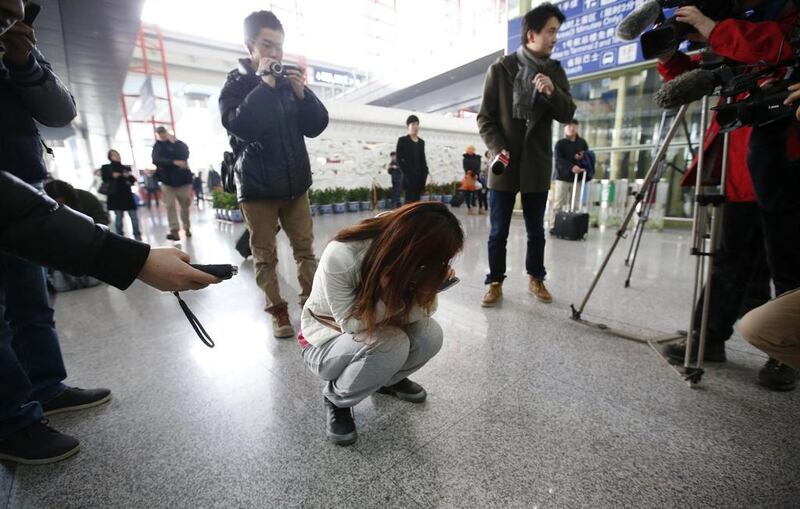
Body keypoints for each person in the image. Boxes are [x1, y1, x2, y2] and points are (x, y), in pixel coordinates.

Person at [0, 169, 221, 464]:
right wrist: (134, 260)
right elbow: (15, 209)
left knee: (33, 308)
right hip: (19, 197)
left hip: (23, 182)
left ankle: (47, 389)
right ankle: (10, 421)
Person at [658, 1, 800, 390]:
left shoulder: (785, 13)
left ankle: (784, 353)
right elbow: (705, 76)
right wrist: (671, 54)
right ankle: (708, 337)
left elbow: (774, 44)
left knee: (788, 264)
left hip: (786, 160)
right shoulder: (733, 17)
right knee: (728, 258)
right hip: (738, 161)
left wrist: (713, 26)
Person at [299, 202, 463, 445]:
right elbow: (351, 324)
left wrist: (425, 288)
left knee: (431, 335)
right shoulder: (342, 255)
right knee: (392, 344)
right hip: (324, 340)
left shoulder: (408, 257)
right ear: (412, 251)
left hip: (375, 329)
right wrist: (398, 297)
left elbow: (428, 311)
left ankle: (387, 381)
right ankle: (336, 399)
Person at [218, 10, 328, 339]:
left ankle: (311, 308)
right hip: (257, 187)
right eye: (268, 45)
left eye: (279, 47)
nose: (275, 54)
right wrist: (264, 84)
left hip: (296, 184)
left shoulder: (287, 82)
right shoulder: (235, 85)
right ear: (250, 45)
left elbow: (317, 125)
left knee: (305, 250)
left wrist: (302, 94)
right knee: (264, 255)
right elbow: (241, 126)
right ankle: (277, 311)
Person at [477, 3, 576, 307]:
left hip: (536, 164)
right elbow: (485, 118)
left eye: (556, 32)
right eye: (550, 31)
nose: (554, 37)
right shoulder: (501, 69)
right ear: (531, 34)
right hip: (504, 164)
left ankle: (536, 277)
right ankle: (494, 281)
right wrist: (497, 148)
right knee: (498, 233)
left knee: (536, 231)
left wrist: (551, 92)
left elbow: (567, 112)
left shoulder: (555, 71)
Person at [44, 179, 109, 292]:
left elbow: (102, 219)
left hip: (88, 243)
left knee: (92, 282)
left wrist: (87, 233)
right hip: (61, 249)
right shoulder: (43, 205)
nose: (60, 205)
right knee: (63, 287)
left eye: (62, 201)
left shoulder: (86, 198)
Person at [152, 126, 192, 240]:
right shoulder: (158, 146)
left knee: (185, 205)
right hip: (167, 181)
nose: (162, 135)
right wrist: (173, 162)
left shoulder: (178, 144)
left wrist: (176, 142)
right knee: (170, 206)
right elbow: (156, 159)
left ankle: (187, 227)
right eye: (160, 134)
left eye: (163, 133)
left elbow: (185, 154)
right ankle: (174, 230)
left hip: (182, 180)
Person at [551, 119, 592, 225]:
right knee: (559, 203)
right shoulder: (560, 143)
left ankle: (572, 226)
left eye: (574, 126)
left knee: (575, 203)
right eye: (569, 126)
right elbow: (558, 159)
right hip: (562, 178)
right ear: (565, 129)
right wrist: (572, 167)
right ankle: (554, 225)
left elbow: (587, 157)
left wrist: (582, 159)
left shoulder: (582, 143)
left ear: (577, 127)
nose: (572, 128)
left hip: (577, 178)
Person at [100, 149, 141, 240]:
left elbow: (133, 180)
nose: (117, 156)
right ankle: (119, 236)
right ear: (110, 157)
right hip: (115, 196)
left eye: (117, 154)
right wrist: (112, 175)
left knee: (133, 216)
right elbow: (104, 178)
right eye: (114, 155)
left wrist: (128, 176)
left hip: (127, 195)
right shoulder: (106, 167)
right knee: (118, 217)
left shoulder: (125, 167)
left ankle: (137, 234)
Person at [396, 115, 429, 203]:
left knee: (417, 204)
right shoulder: (402, 140)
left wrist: (425, 172)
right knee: (409, 204)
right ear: (408, 126)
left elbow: (423, 160)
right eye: (413, 124)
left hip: (420, 178)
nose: (415, 126)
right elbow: (399, 159)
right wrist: (408, 174)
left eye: (417, 124)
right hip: (409, 178)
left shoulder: (421, 142)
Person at [462, 145, 484, 214]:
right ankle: (469, 208)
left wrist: (476, 174)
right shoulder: (465, 159)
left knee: (480, 193)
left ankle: (480, 208)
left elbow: (479, 167)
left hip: (477, 177)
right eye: (469, 149)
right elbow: (466, 169)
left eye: (471, 149)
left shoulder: (477, 158)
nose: (470, 151)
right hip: (469, 178)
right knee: (467, 193)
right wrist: (473, 175)